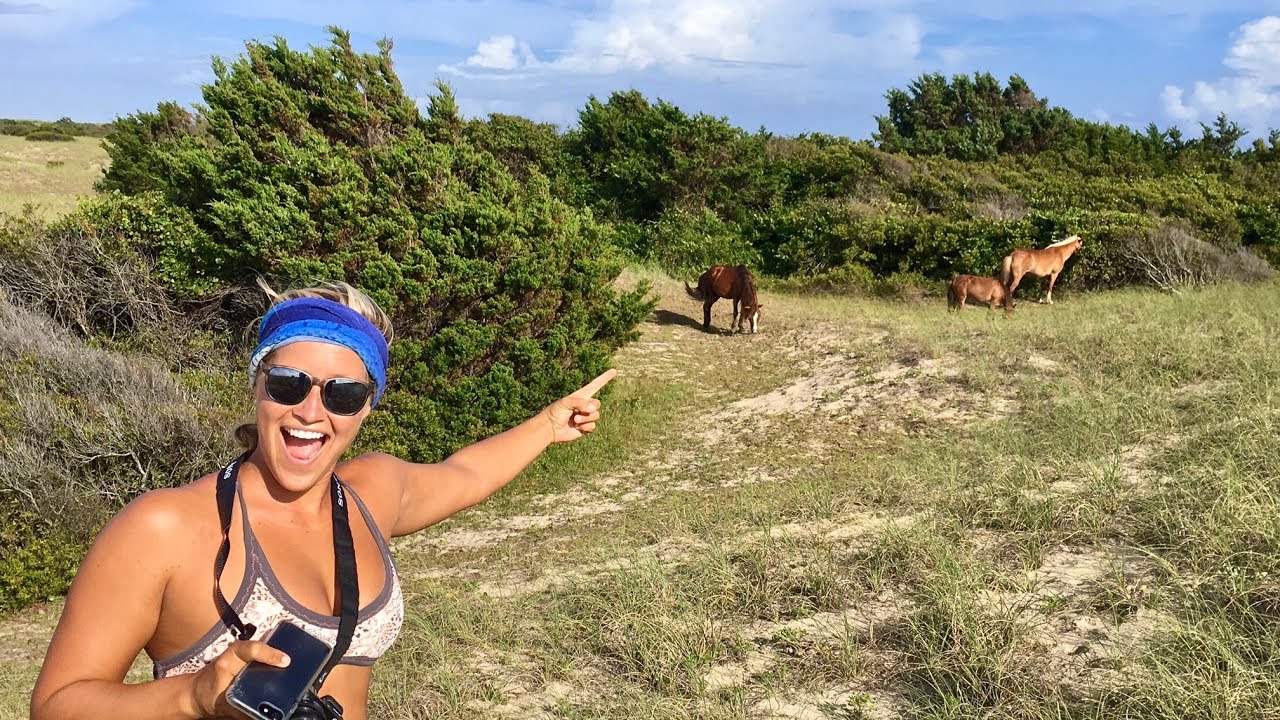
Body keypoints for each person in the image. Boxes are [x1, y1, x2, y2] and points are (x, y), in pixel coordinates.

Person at [30, 281, 615, 720]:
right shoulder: (165, 527)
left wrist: (547, 424)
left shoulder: (372, 494)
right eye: (288, 384)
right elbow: (56, 704)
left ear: (367, 405)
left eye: (343, 394)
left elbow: (463, 473)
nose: (311, 413)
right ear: (256, 384)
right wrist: (193, 694)